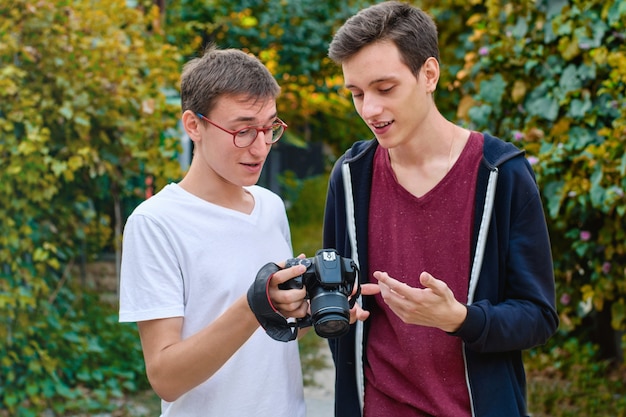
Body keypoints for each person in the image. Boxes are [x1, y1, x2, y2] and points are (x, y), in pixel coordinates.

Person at [323, 2, 559, 416]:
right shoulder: (349, 176)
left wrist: (460, 318)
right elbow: (335, 296)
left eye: (385, 88)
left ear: (428, 74)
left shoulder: (501, 174)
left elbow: (538, 317)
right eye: (357, 93)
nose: (369, 110)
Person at [118, 45, 309, 417]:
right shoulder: (155, 223)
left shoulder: (269, 206)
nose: (260, 146)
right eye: (242, 130)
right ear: (194, 125)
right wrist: (254, 305)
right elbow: (166, 378)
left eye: (270, 128)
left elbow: (270, 341)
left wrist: (309, 311)